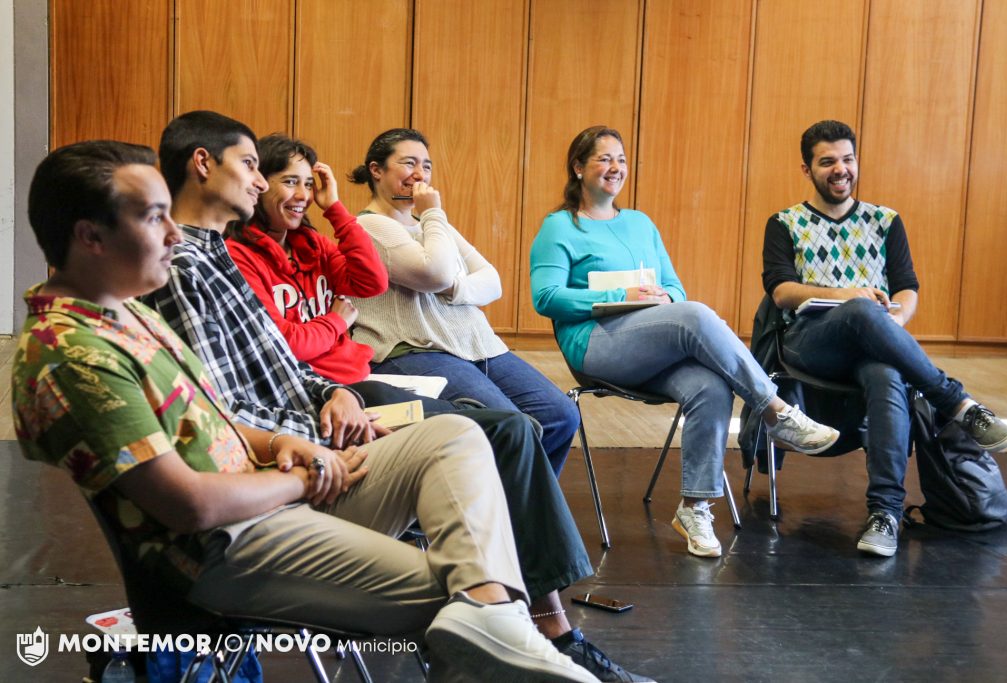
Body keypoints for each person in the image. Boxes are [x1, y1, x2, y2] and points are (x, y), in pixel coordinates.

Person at [13, 140, 597, 682]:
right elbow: (190, 506)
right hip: (226, 545)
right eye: (152, 218)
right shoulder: (72, 355)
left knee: (455, 435)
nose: (172, 233)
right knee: (463, 594)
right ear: (90, 237)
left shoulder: (126, 312)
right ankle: (511, 627)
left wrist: (278, 444)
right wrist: (300, 477)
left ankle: (498, 619)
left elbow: (211, 416)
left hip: (268, 489)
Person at [143, 112, 650, 682]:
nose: (269, 185)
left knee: (508, 427)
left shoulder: (246, 252)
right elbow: (227, 405)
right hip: (306, 454)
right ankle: (543, 627)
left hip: (338, 398)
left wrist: (332, 391)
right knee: (499, 433)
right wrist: (311, 416)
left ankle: (526, 618)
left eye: (301, 182)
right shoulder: (195, 264)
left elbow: (324, 330)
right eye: (261, 171)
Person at [530, 125, 841, 559]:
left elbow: (675, 287)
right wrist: (619, 295)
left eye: (621, 159)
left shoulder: (640, 223)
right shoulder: (560, 227)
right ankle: (775, 411)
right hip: (595, 344)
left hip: (651, 339)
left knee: (710, 386)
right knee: (694, 316)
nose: (615, 167)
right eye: (604, 158)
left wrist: (663, 298)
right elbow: (545, 297)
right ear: (578, 167)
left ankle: (695, 507)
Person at [761, 119, 1007, 557]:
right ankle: (956, 402)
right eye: (827, 162)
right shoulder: (784, 222)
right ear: (807, 170)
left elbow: (906, 288)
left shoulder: (885, 221)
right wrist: (847, 296)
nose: (840, 169)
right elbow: (782, 291)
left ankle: (884, 513)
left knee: (886, 373)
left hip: (873, 343)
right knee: (862, 311)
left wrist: (890, 325)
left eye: (847, 159)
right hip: (810, 342)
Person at [348, 128, 579, 475]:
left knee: (560, 415)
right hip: (414, 350)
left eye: (426, 166)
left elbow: (492, 281)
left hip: (475, 344)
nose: (419, 174)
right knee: (509, 424)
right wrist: (433, 216)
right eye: (408, 163)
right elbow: (436, 272)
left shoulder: (429, 224)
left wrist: (452, 288)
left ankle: (518, 504)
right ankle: (500, 505)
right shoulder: (370, 227)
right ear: (376, 170)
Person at [225, 133, 388, 385]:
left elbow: (372, 282)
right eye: (291, 182)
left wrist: (334, 209)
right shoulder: (238, 256)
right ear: (258, 184)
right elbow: (284, 343)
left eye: (309, 184)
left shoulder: (313, 245)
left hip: (355, 376)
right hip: (309, 388)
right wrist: (336, 321)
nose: (304, 196)